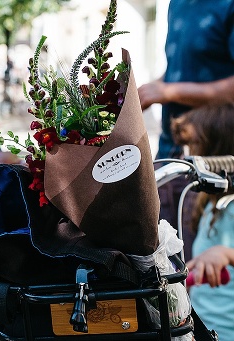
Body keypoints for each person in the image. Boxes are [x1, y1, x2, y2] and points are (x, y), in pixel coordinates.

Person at [137, 1, 234, 257]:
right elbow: (178, 73)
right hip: (169, 157)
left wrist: (168, 92)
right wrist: (148, 90)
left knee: (196, 273)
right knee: (162, 271)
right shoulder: (177, 3)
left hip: (211, 165)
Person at [171, 103, 234, 340]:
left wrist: (227, 254)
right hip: (201, 330)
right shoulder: (211, 204)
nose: (185, 156)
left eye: (194, 145)